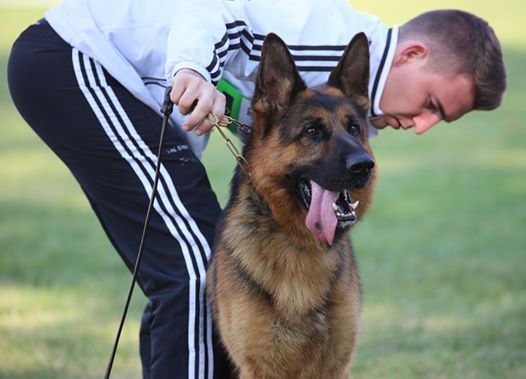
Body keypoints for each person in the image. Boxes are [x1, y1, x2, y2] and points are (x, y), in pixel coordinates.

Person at [7, 0, 506, 378]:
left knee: (196, 260)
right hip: (76, 61)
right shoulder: (324, 40)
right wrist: (192, 69)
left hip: (124, 86)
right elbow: (213, 6)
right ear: (413, 55)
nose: (421, 125)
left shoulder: (346, 100)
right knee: (198, 262)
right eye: (433, 105)